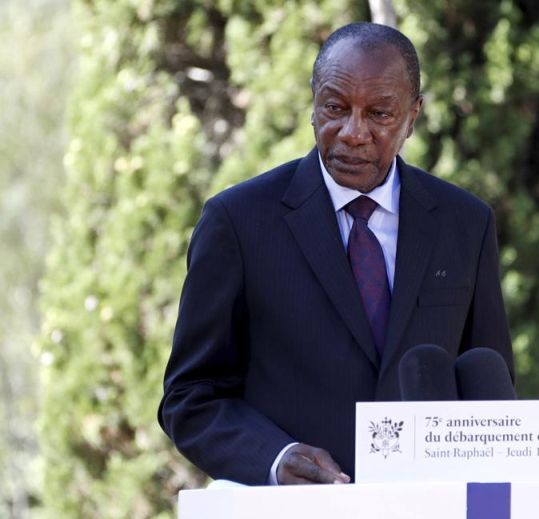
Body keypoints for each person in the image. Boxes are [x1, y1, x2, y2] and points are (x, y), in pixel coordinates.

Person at [158, 22, 513, 486]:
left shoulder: (465, 223)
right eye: (335, 107)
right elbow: (191, 396)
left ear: (413, 116)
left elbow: (491, 385)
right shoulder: (238, 222)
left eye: (380, 114)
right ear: (312, 105)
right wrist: (274, 457)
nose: (352, 132)